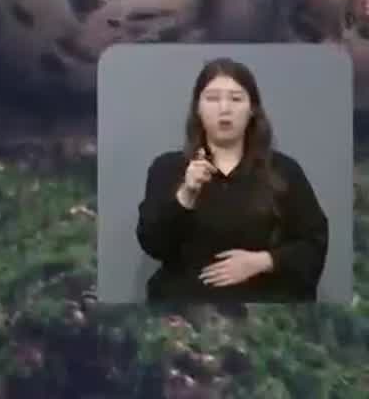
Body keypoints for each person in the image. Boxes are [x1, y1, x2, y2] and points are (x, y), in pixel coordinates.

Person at [135, 56, 329, 303]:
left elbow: (313, 243)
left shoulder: (283, 171)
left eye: (236, 99)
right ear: (198, 108)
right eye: (212, 98)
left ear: (252, 110)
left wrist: (263, 262)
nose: (224, 109)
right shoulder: (168, 168)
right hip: (185, 312)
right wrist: (187, 194)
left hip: (264, 311)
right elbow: (153, 243)